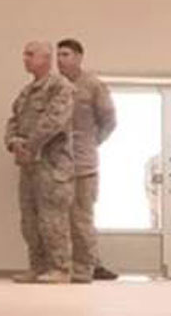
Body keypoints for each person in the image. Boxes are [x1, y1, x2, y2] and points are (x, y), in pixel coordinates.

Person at [5, 41, 75, 284]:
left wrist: (30, 146)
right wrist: (13, 142)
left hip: (52, 166)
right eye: (24, 54)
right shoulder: (26, 92)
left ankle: (60, 268)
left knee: (52, 220)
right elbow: (13, 120)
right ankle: (37, 266)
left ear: (46, 58)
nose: (24, 58)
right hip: (29, 167)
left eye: (30, 54)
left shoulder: (60, 87)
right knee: (30, 220)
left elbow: (54, 121)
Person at [56, 38, 117, 283]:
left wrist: (91, 143)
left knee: (81, 218)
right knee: (57, 219)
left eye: (66, 54)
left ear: (79, 57)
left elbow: (109, 121)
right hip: (56, 163)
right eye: (58, 55)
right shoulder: (54, 86)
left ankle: (87, 267)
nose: (60, 59)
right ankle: (65, 265)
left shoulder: (93, 85)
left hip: (83, 164)